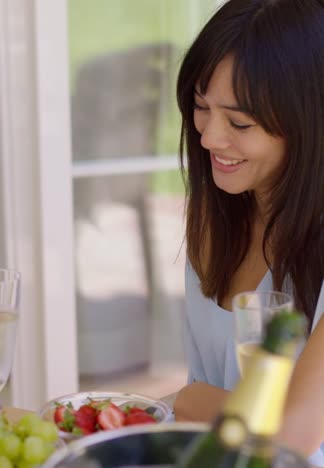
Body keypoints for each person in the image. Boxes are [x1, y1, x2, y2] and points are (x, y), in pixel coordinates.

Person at [172, 0, 324, 465]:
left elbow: (286, 438)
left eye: (240, 122)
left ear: (307, 123)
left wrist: (188, 400)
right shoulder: (213, 216)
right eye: (201, 107)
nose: (210, 138)